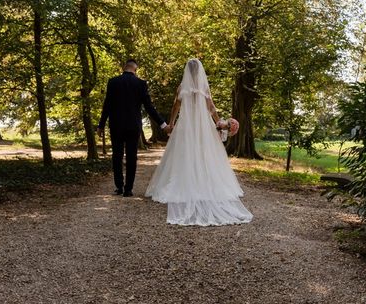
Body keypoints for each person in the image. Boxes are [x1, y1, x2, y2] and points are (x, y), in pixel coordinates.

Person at [146, 58, 253, 226]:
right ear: (200, 71)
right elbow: (211, 108)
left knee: (183, 154)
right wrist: (219, 122)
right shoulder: (203, 87)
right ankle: (205, 184)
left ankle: (184, 183)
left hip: (186, 126)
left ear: (187, 71)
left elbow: (176, 107)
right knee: (205, 154)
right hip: (203, 128)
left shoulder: (182, 88)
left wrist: (172, 123)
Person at [97, 59, 169, 197]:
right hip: (133, 126)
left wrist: (101, 125)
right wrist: (163, 124)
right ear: (135, 69)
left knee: (117, 156)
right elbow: (149, 107)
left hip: (116, 125)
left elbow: (107, 105)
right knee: (132, 156)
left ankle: (119, 186)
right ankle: (128, 189)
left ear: (124, 68)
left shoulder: (113, 82)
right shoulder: (140, 84)